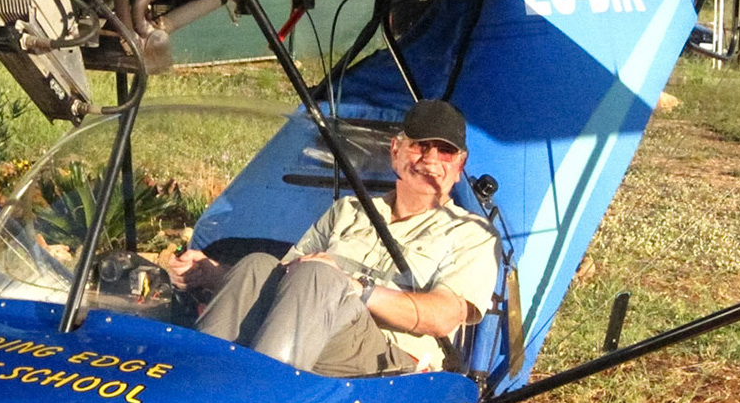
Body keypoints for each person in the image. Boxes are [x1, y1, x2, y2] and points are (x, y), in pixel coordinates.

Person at [166, 100, 500, 376]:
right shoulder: (349, 210)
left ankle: (261, 402)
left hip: (390, 363)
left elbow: (443, 317)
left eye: (444, 152)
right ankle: (192, 383)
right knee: (256, 265)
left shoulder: (471, 233)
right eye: (419, 146)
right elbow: (280, 285)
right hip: (316, 330)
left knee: (318, 275)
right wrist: (215, 272)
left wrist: (356, 289)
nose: (430, 160)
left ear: (460, 165)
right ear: (396, 150)